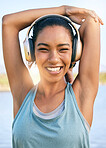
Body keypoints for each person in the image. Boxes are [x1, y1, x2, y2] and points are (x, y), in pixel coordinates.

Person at [2, 5, 103, 148]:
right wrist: (64, 10)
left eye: (63, 49)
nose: (54, 58)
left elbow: (91, 22)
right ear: (31, 52)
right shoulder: (23, 94)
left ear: (75, 52)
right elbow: (8, 23)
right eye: (43, 49)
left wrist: (71, 62)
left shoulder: (80, 96)